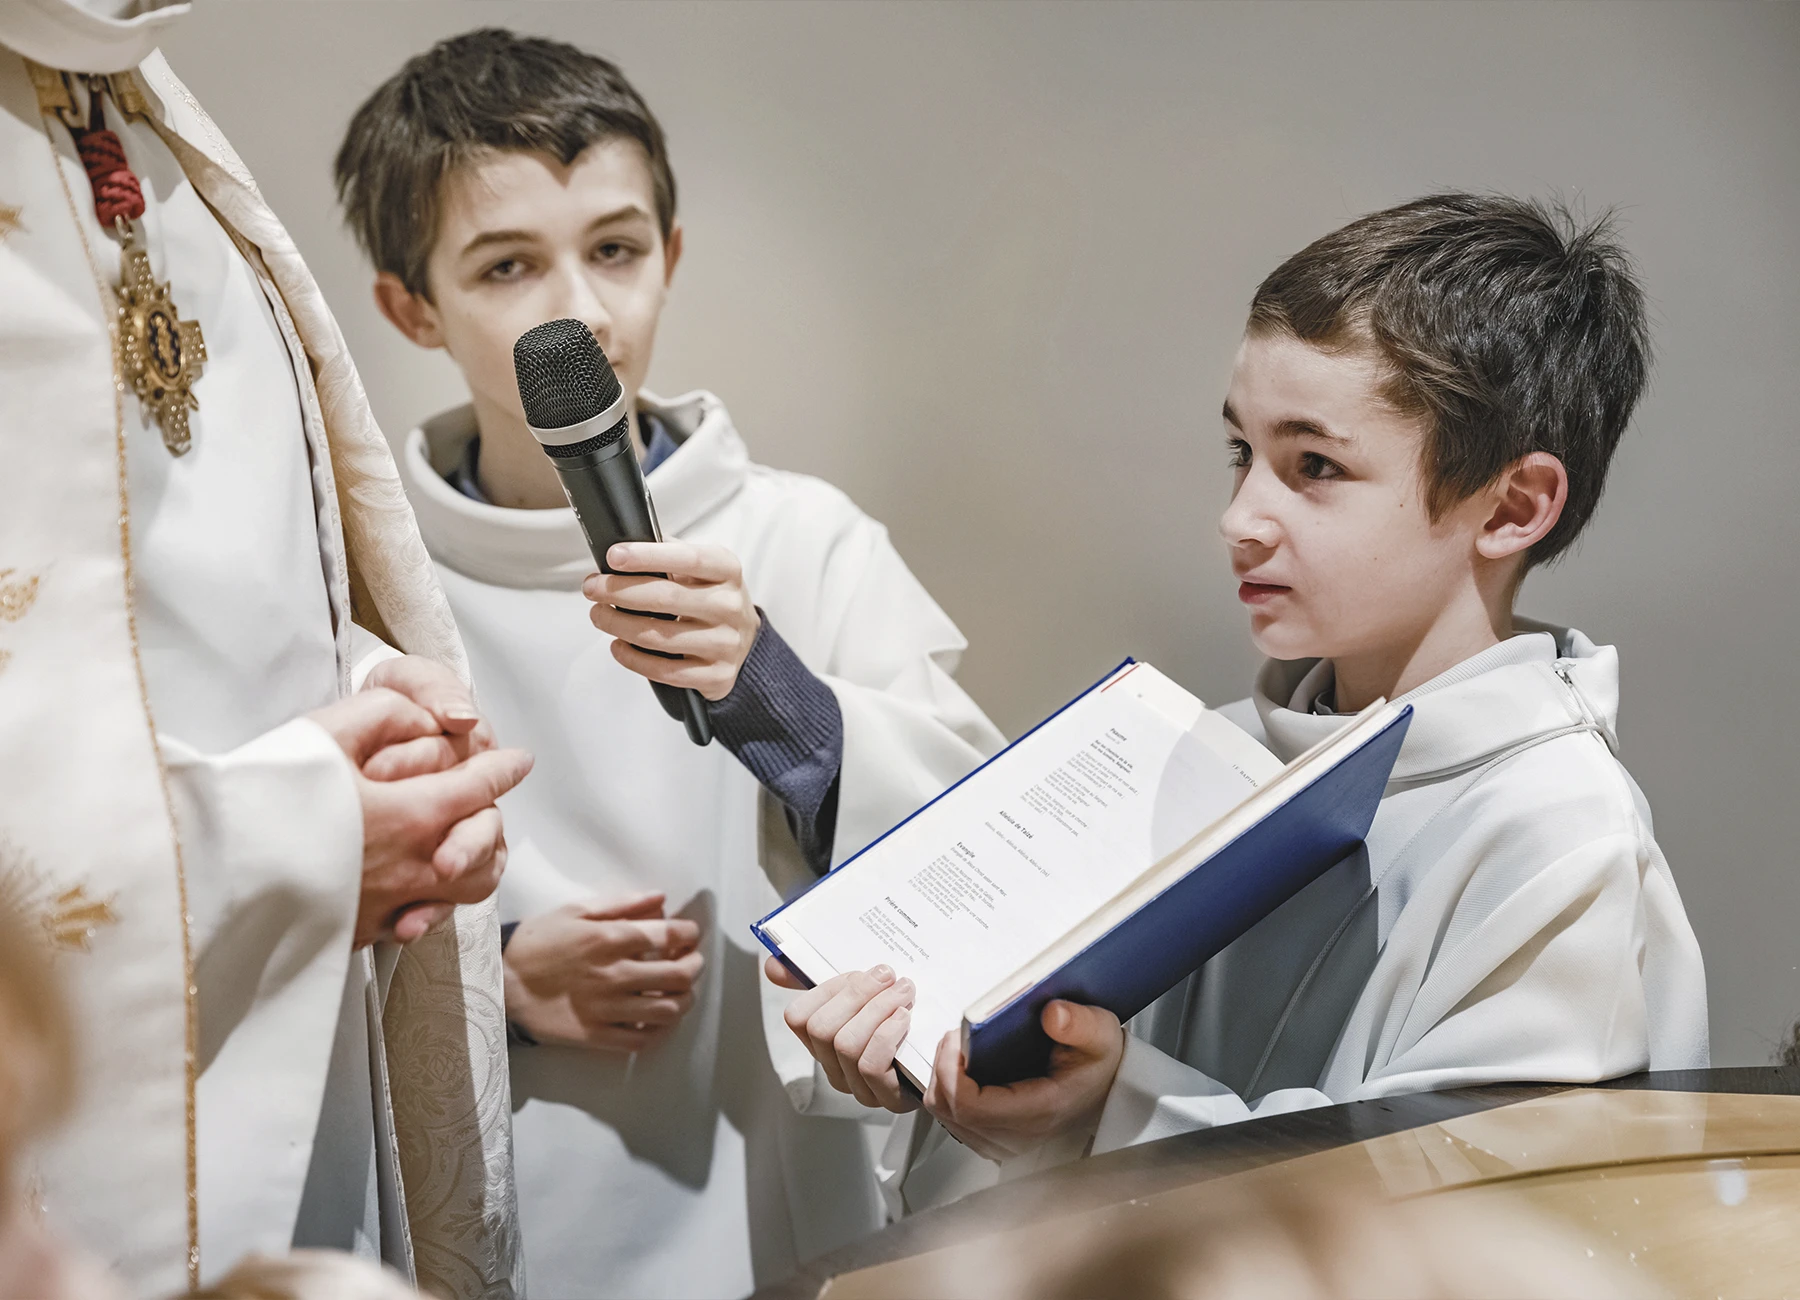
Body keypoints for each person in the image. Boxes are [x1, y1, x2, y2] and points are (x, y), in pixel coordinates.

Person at [773, 193, 1710, 1212]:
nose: (1241, 517)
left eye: (1315, 466)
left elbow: (1478, 1236)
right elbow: (1017, 1141)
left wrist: (1108, 1114)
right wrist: (942, 1070)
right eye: (1242, 454)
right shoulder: (1211, 751)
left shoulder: (1563, 839)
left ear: (1513, 505)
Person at [334, 28, 1004, 1298]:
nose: (580, 310)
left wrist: (780, 698)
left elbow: (970, 845)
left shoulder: (802, 537)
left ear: (671, 258)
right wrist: (499, 981)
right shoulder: (367, 585)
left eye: (616, 250)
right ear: (409, 305)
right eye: (507, 265)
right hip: (500, 1189)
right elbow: (271, 895)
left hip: (759, 1184)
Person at [0, 4, 533, 1294]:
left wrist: (357, 687)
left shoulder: (122, 93)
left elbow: (172, 578)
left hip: (295, 1042)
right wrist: (282, 841)